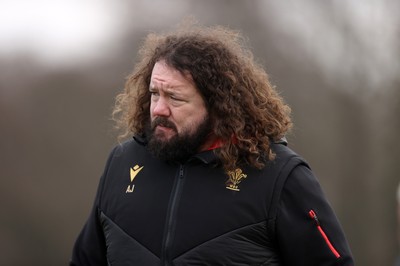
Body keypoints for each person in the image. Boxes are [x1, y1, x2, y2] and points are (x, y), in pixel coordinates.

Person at [70, 23, 354, 266]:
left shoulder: (279, 174)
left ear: (218, 106)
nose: (158, 109)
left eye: (175, 98)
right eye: (155, 94)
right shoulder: (122, 163)